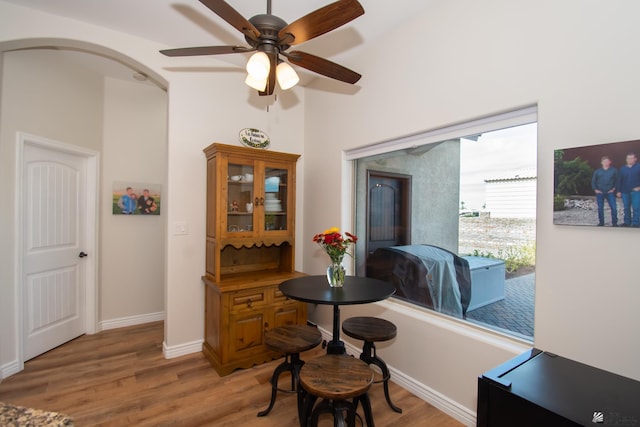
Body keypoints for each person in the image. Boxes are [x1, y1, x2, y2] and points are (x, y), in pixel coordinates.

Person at [591, 156, 618, 226]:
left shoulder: (614, 170)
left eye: (607, 161)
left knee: (614, 207)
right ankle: (601, 222)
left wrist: (613, 189)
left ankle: (614, 223)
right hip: (600, 193)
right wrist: (595, 189)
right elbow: (593, 182)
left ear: (610, 162)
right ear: (601, 163)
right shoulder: (597, 171)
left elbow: (617, 181)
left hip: (610, 192)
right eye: (604, 161)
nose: (605, 163)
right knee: (600, 208)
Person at [616, 152, 640, 227]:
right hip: (624, 191)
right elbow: (619, 180)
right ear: (626, 159)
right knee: (626, 207)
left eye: (631, 158)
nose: (629, 160)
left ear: (635, 159)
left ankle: (636, 223)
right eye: (628, 158)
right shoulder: (623, 168)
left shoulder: (639, 167)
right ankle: (627, 222)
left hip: (635, 192)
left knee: (636, 207)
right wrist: (618, 191)